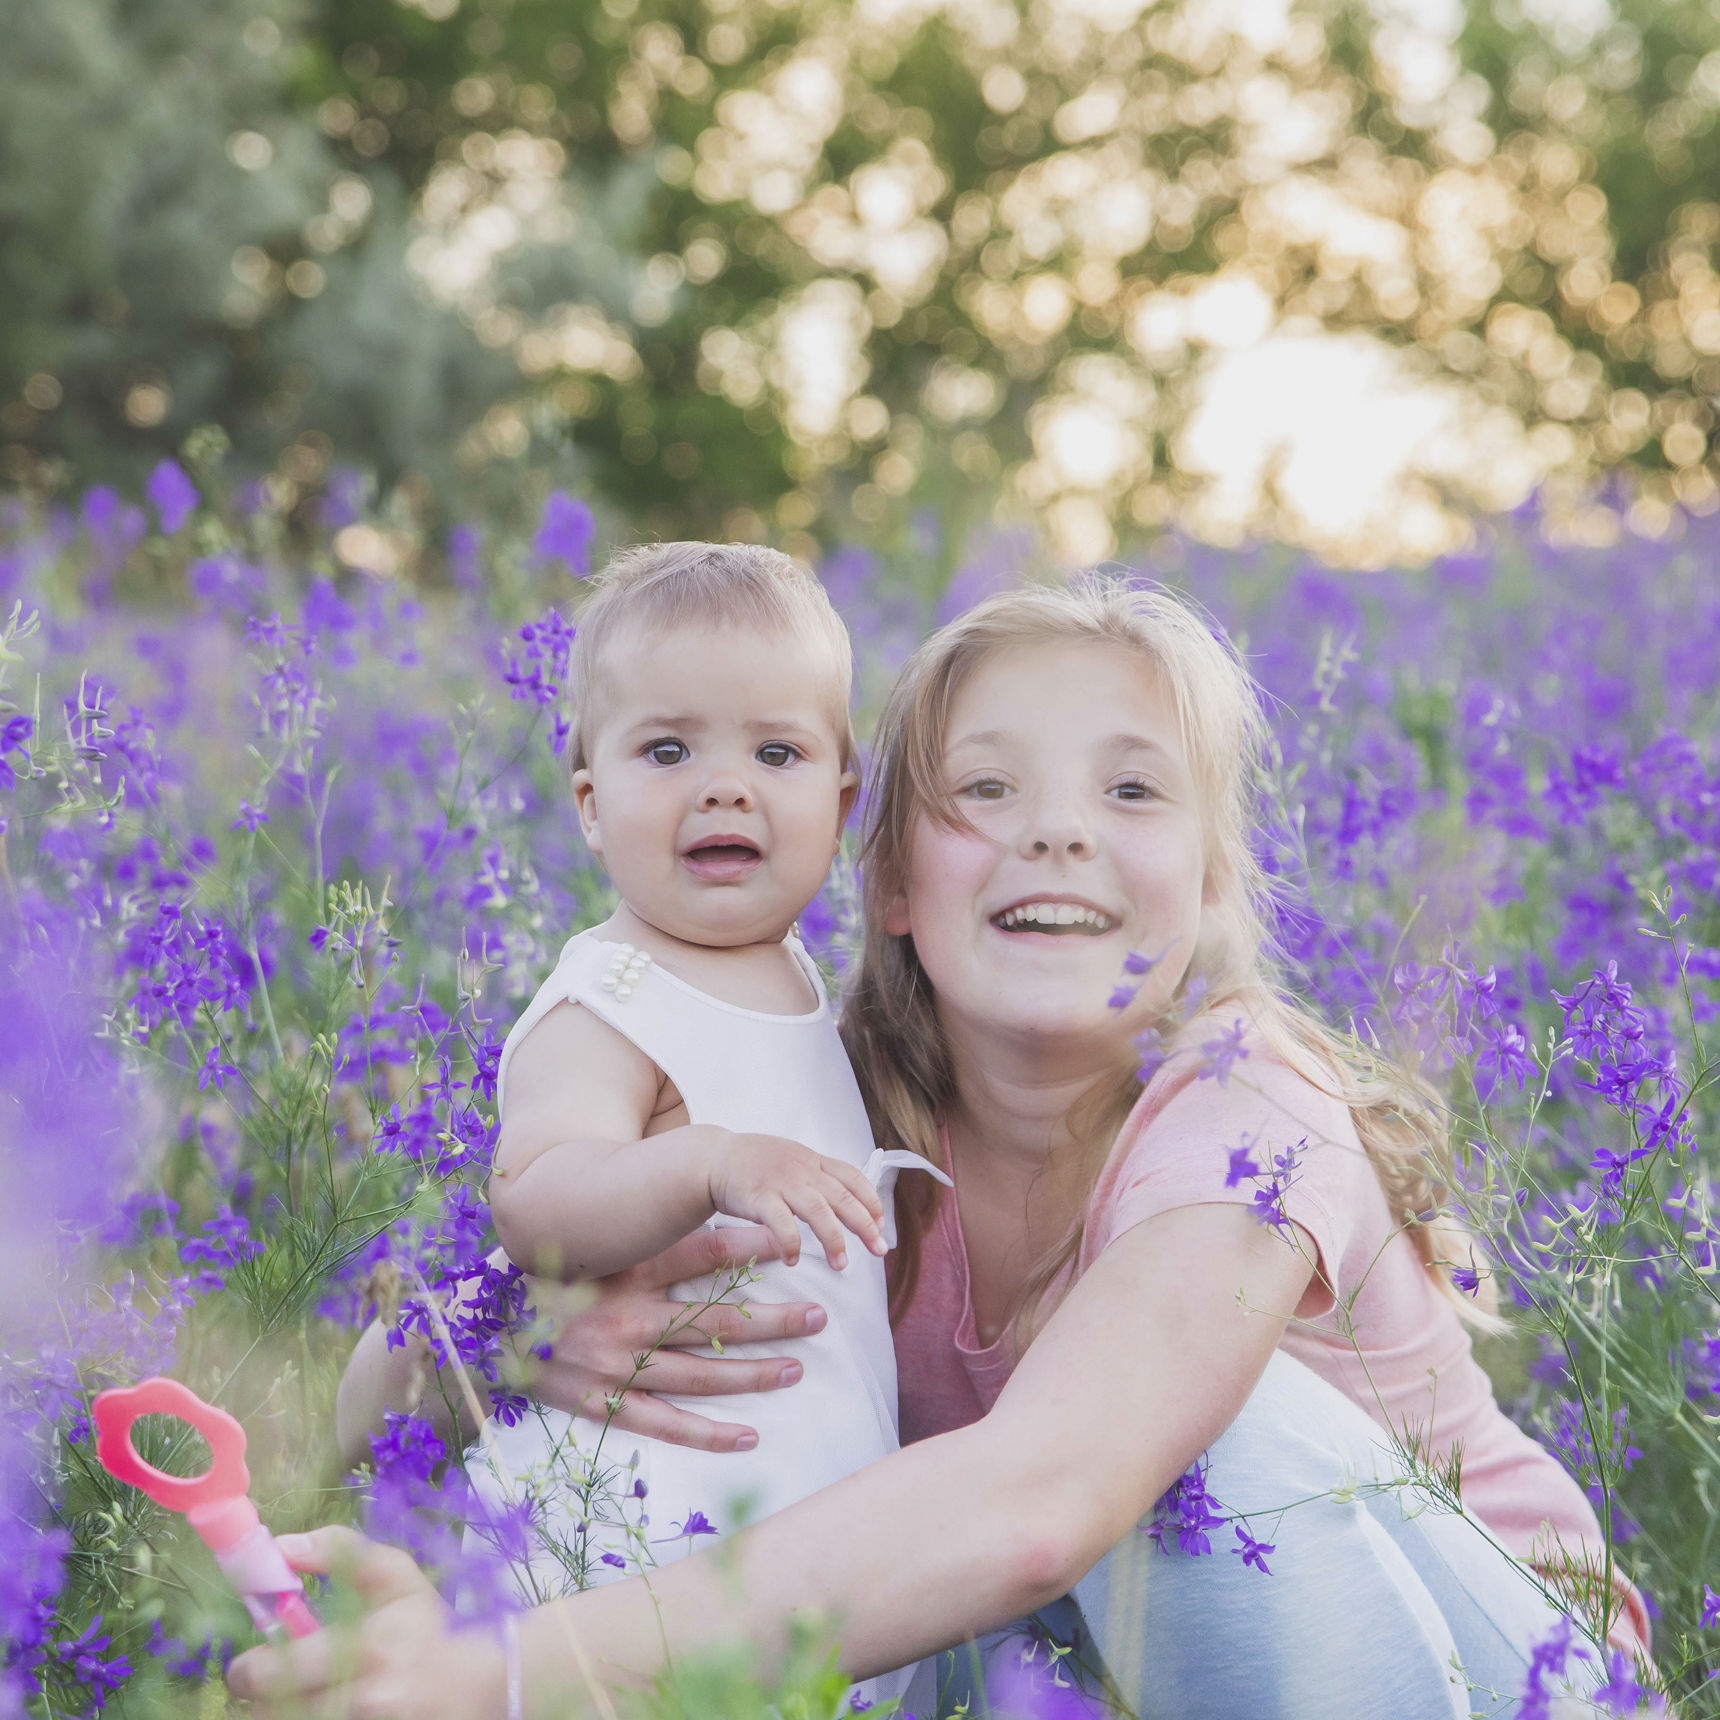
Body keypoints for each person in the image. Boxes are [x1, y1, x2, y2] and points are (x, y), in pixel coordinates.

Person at [240, 579, 1640, 1720]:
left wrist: (492, 1684)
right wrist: (498, 1348)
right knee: (870, 1602)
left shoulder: (1246, 1115)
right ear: (893, 875)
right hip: (1095, 1659)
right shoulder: (815, 1130)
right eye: (987, 790)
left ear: (1210, 881)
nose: (1058, 831)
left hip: (1514, 1675)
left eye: (1134, 793)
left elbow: (1039, 1505)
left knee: (1193, 1460)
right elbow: (384, 1391)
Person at [342, 541, 940, 1701]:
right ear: (590, 803)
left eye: (777, 751)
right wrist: (705, 1159)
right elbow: (539, 1197)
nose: (724, 786)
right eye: (667, 750)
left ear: (843, 797)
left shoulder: (812, 994)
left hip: (792, 1551)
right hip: (614, 1555)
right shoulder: (609, 999)